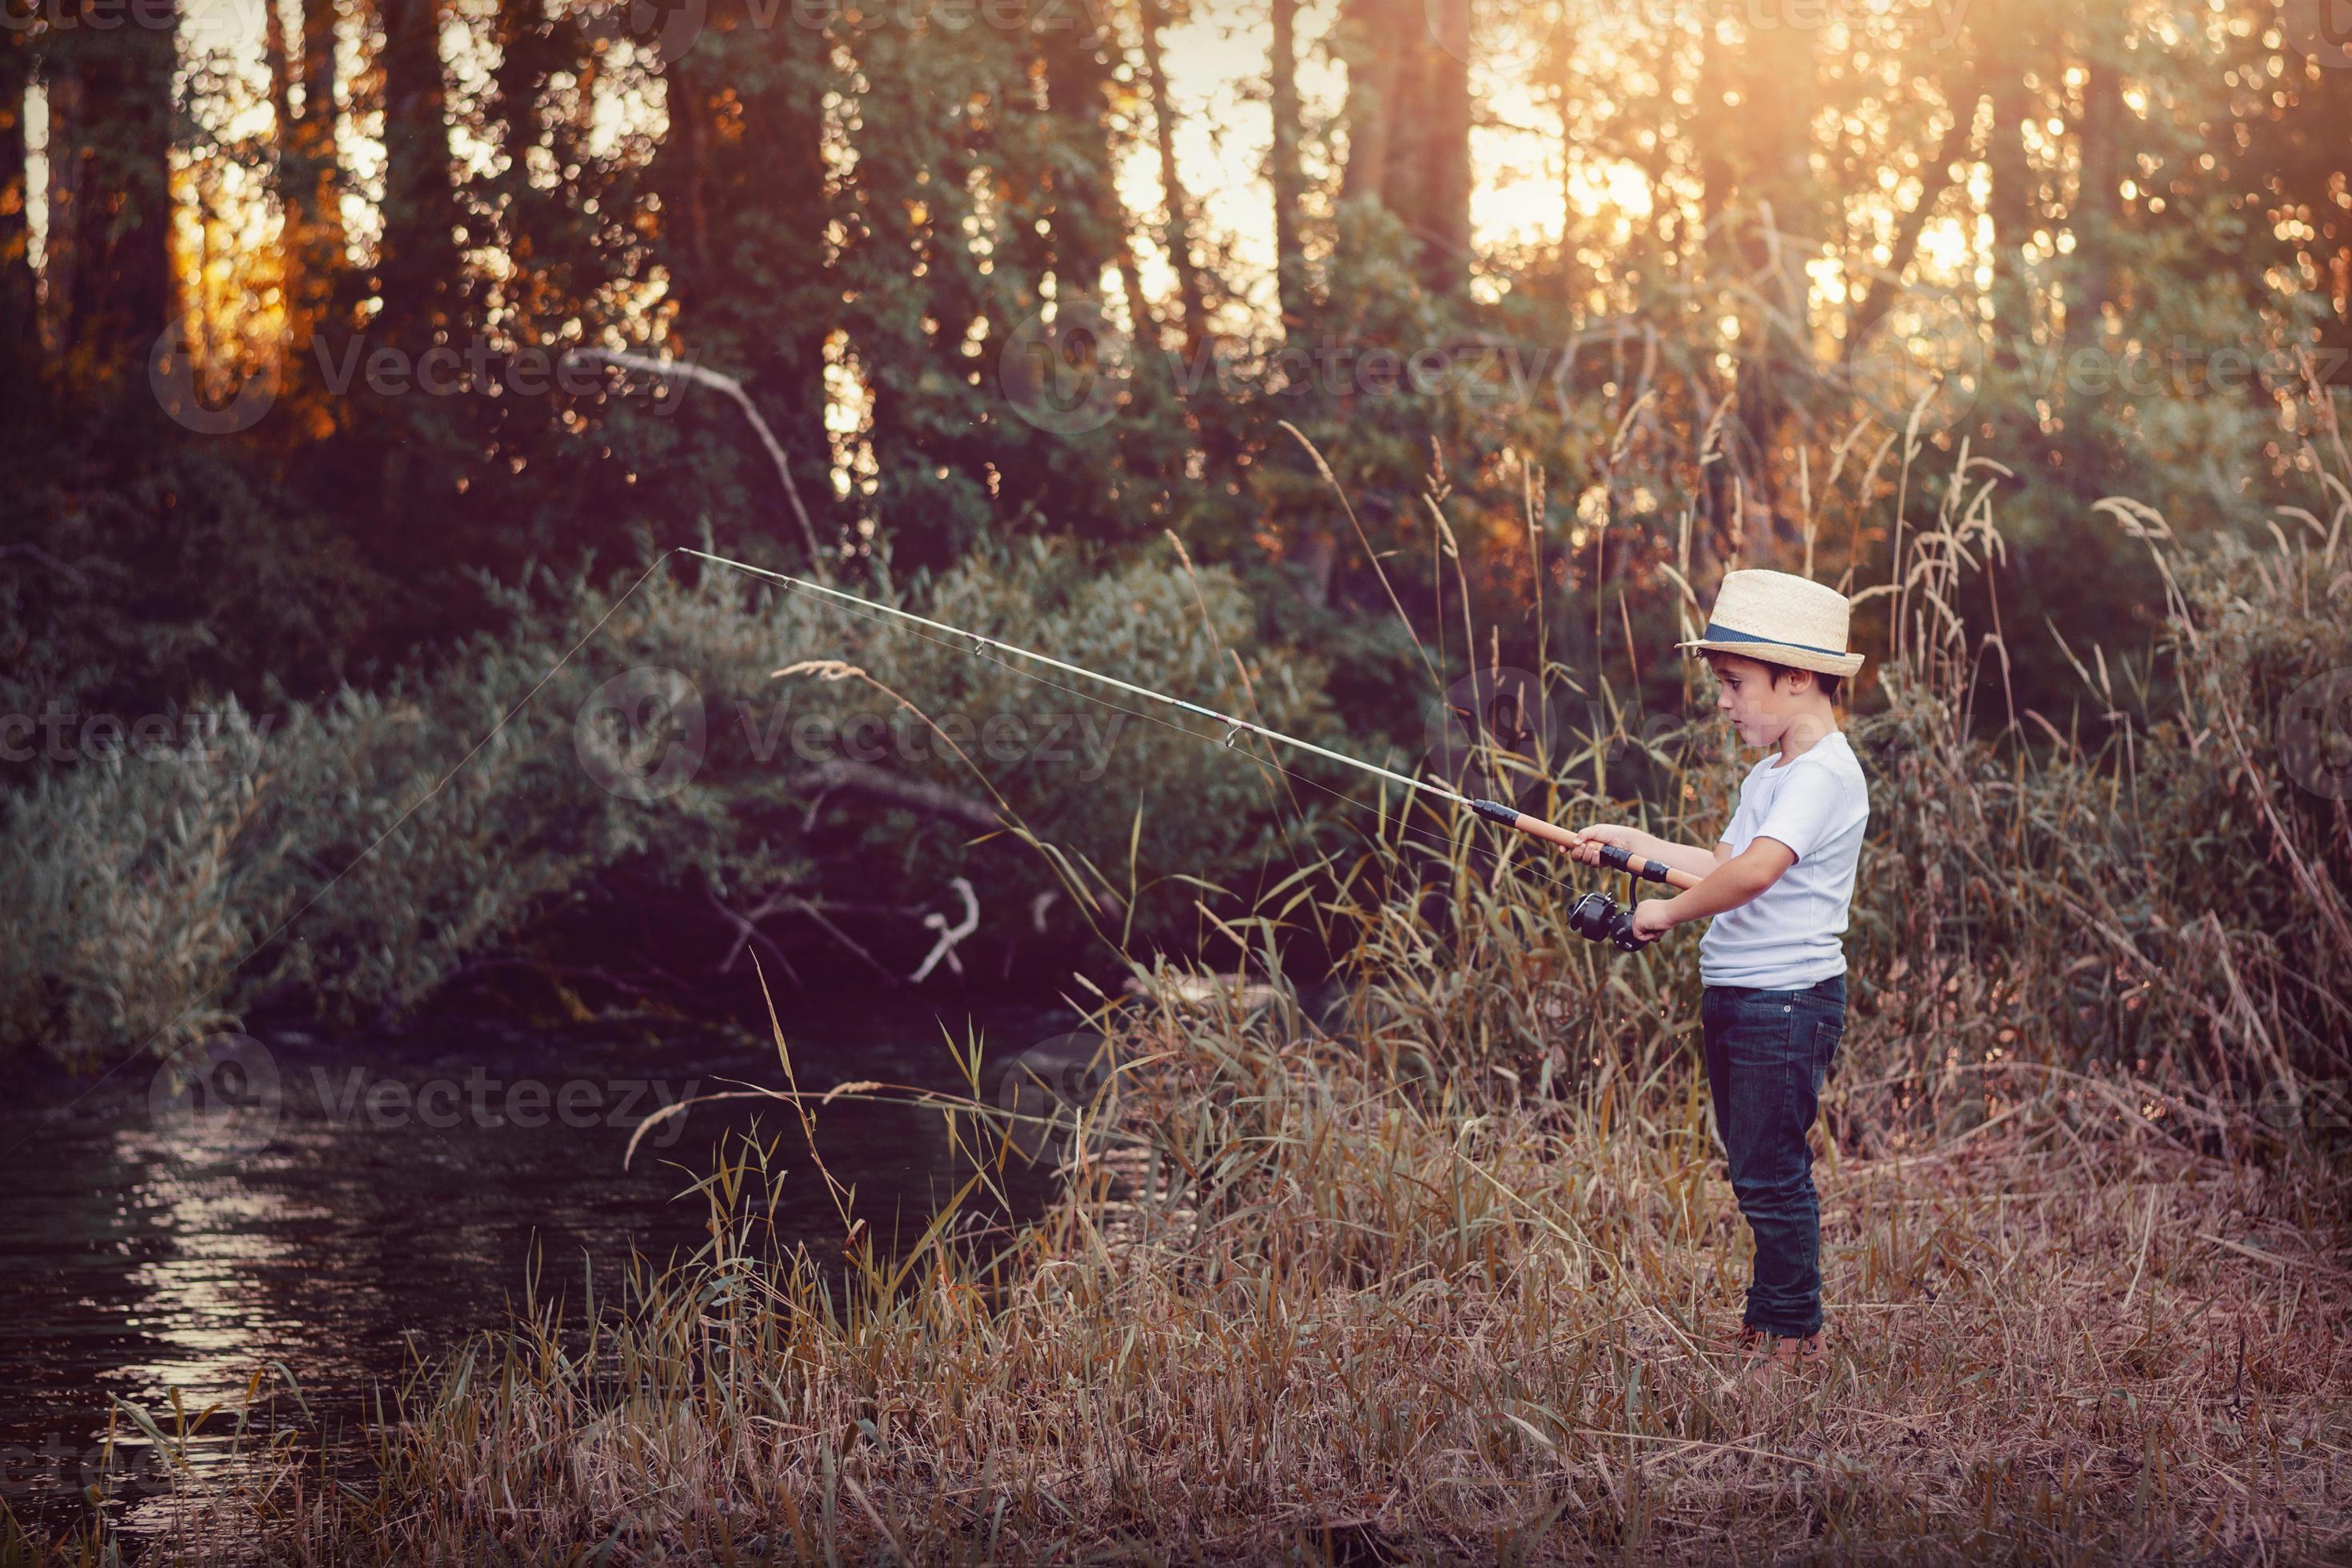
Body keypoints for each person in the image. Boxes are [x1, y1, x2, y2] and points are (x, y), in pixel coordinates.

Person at [1571, 569, 1870, 1377]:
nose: (1727, 703)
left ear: (1799, 677)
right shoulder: (1769, 776)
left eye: (1737, 684)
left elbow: (1759, 872)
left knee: (1772, 1170)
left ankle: (1792, 1332)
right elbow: (1719, 863)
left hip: (1786, 1002)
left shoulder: (1823, 772)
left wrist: (1664, 912)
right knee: (1750, 1165)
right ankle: (1773, 1319)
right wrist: (1634, 842)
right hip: (1740, 996)